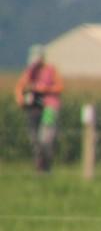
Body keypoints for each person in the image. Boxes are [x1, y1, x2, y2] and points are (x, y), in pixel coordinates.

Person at [14, 45, 64, 173]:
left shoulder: (51, 70)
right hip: (33, 109)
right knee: (35, 139)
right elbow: (20, 86)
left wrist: (45, 89)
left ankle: (47, 167)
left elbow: (60, 86)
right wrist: (20, 99)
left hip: (49, 108)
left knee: (46, 138)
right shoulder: (29, 72)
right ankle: (39, 168)